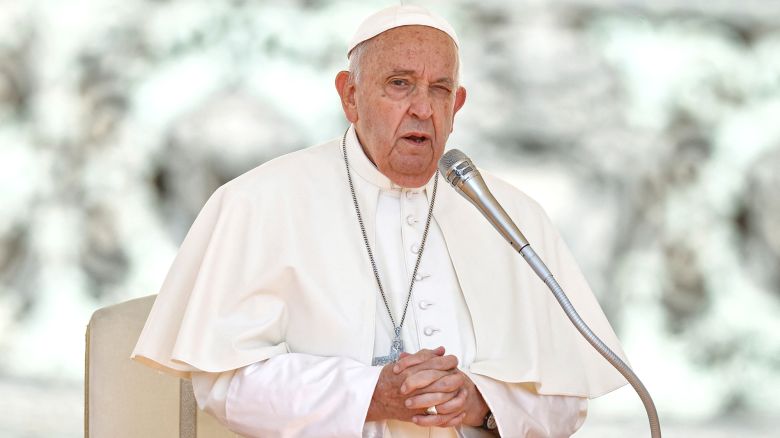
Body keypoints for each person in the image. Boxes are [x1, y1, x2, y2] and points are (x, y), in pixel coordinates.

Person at [132, 5, 628, 437]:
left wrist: (484, 403)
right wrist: (373, 394)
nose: (421, 108)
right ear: (350, 95)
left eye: (438, 90)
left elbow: (567, 400)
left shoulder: (510, 215)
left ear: (456, 107)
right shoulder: (259, 201)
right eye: (399, 84)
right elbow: (225, 387)